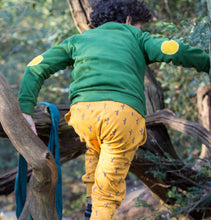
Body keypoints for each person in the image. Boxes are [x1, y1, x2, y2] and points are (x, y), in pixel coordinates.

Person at [18, 0, 210, 219]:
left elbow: (36, 65)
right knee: (107, 193)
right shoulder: (136, 37)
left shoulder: (79, 40)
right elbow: (174, 50)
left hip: (84, 117)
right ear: (128, 20)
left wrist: (25, 109)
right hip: (122, 118)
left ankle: (91, 209)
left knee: (96, 151)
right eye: (139, 25)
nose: (140, 30)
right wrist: (207, 62)